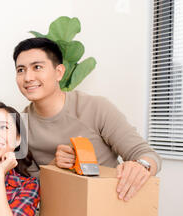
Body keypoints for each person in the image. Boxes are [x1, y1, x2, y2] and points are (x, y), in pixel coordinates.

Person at [13, 37, 162, 202]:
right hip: (57, 209)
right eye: (21, 70)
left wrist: (141, 166)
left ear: (59, 72)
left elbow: (146, 154)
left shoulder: (96, 107)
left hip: (109, 204)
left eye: (37, 67)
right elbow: (30, 185)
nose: (28, 77)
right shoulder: (19, 126)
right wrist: (54, 167)